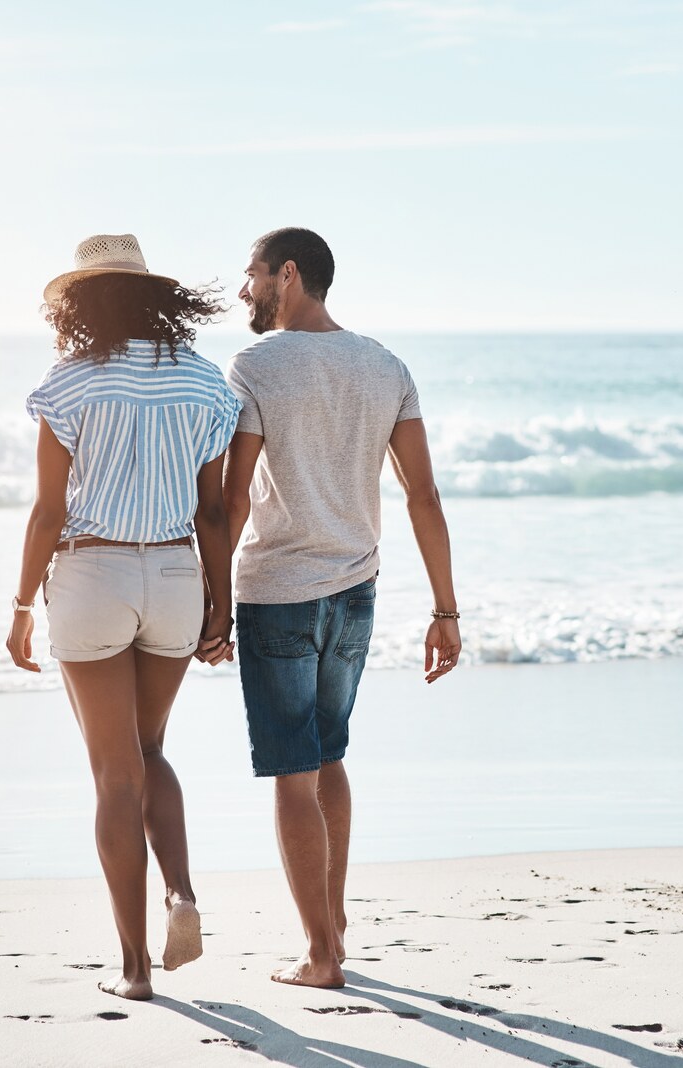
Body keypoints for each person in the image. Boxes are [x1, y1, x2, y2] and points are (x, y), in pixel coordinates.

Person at [222, 227, 463, 989]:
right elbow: (424, 495)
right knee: (329, 757)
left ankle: (321, 955)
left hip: (278, 593)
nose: (244, 290)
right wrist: (446, 611)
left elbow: (232, 499)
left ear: (288, 274)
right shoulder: (385, 365)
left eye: (253, 274)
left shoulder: (257, 364)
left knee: (294, 773)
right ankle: (334, 926)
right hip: (356, 590)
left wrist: (210, 601)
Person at [4, 234, 240, 1001]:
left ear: (80, 305)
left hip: (92, 574)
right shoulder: (205, 383)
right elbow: (212, 511)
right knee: (150, 749)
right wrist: (221, 604)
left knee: (113, 773)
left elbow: (48, 512)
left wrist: (20, 605)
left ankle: (136, 969)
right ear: (154, 298)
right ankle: (181, 892)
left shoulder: (69, 382)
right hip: (175, 575)